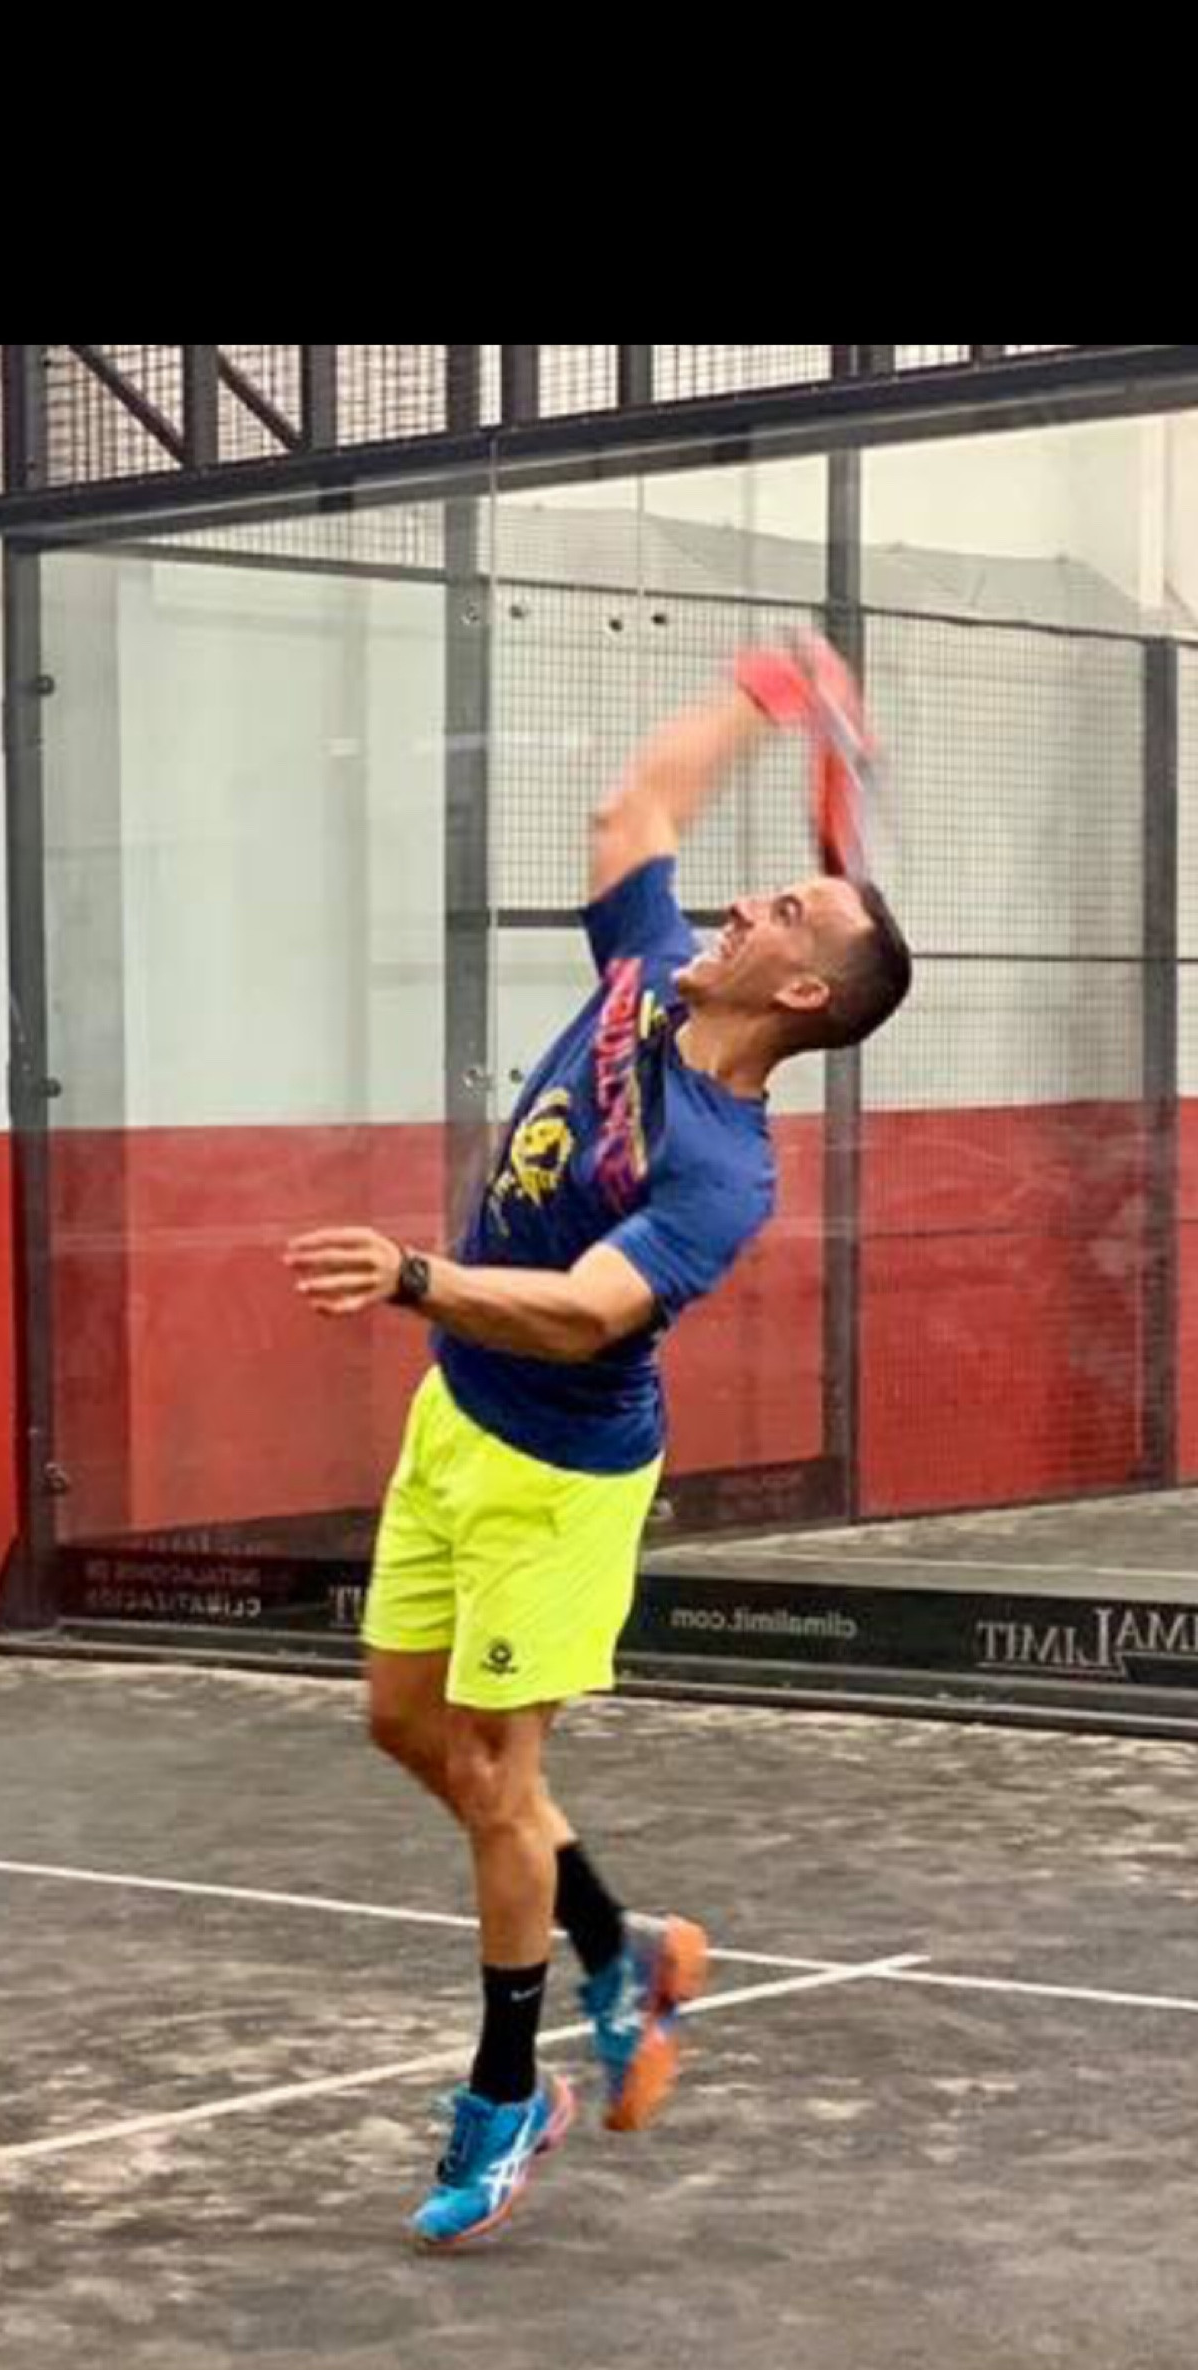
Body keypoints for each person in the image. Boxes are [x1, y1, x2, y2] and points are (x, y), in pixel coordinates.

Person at [286, 636, 912, 2248]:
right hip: (455, 1421)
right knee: (405, 1730)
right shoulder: (647, 972)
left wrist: (415, 1277)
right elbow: (635, 809)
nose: (746, 903)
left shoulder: (724, 1172)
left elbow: (582, 1313)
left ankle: (510, 2095)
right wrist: (768, 694)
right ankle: (625, 1948)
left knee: (499, 1778)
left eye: (785, 912)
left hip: (560, 1484)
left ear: (800, 995)